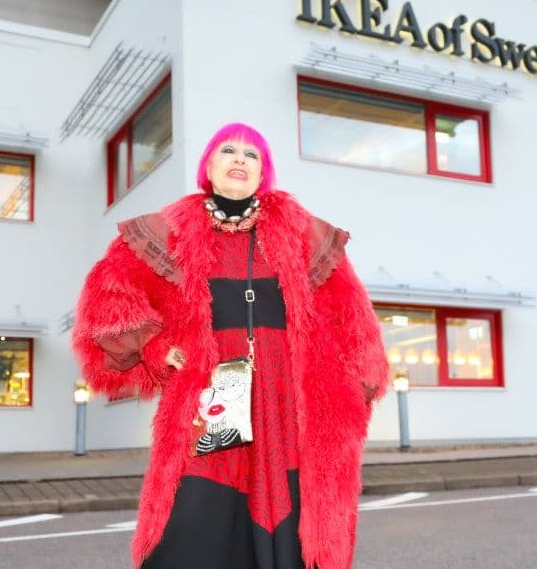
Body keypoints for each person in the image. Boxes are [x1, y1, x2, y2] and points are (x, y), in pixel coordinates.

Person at [71, 122, 389, 569]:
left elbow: (349, 313)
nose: (240, 159)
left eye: (252, 154)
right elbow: (107, 300)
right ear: (208, 166)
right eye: (228, 150)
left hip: (289, 404)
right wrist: (157, 346)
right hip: (213, 399)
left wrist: (354, 382)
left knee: (298, 521)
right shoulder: (167, 232)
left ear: (263, 173)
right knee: (195, 519)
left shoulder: (306, 234)